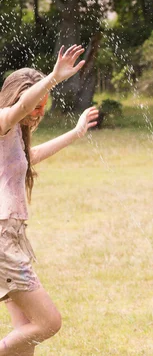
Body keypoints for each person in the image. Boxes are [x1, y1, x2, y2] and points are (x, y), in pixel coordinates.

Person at [0, 45, 99, 355]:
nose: (38, 111)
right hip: (2, 236)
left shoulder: (14, 133)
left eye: (42, 105)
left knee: (26, 328)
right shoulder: (4, 120)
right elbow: (20, 107)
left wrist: (75, 133)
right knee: (48, 322)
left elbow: (32, 158)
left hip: (12, 234)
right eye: (34, 104)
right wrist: (54, 78)